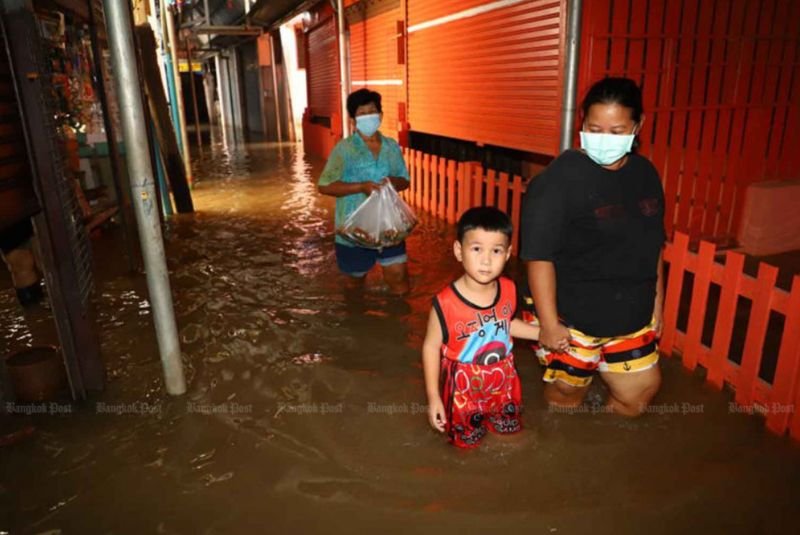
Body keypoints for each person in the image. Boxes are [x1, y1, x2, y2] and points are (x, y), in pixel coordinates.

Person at [520, 77, 666, 417]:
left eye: (617, 131)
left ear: (638, 126)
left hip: (631, 311)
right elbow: (538, 256)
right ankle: (564, 452)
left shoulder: (645, 173)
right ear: (582, 123)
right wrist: (548, 323)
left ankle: (603, 451)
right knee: (566, 395)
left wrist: (658, 302)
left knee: (640, 393)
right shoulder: (557, 181)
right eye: (594, 127)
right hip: (570, 315)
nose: (604, 139)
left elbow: (653, 244)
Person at [421, 207, 557, 448]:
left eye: (496, 250)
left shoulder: (509, 289)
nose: (486, 260)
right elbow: (431, 347)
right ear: (458, 251)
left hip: (504, 380)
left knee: (510, 434)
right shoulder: (444, 304)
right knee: (466, 445)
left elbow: (506, 325)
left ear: (507, 255)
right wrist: (433, 397)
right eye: (476, 249)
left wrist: (543, 333)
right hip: (463, 387)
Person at [317, 89, 411, 295]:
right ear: (353, 120)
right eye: (362, 113)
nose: (368, 116)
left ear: (381, 115)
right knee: (354, 285)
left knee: (399, 279)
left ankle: (398, 323)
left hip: (389, 226)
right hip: (353, 229)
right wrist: (360, 187)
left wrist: (393, 182)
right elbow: (324, 185)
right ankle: (356, 321)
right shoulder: (344, 150)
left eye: (372, 111)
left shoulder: (391, 147)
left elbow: (405, 180)